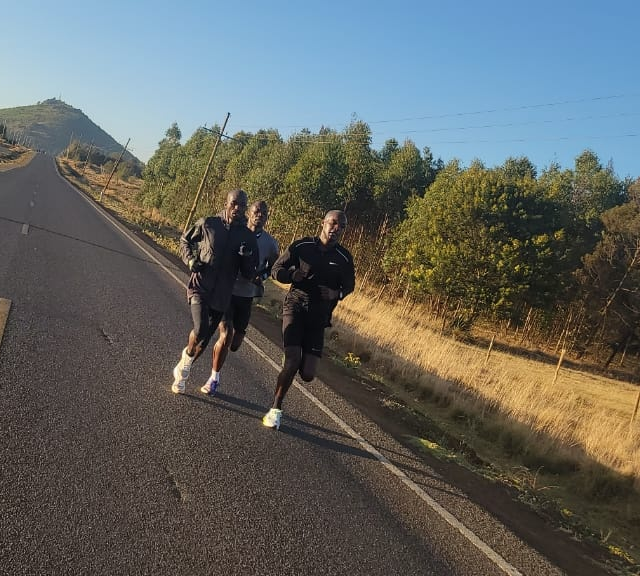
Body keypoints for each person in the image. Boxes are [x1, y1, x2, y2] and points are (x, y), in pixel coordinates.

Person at [262, 209, 355, 430]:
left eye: (341, 226)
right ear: (323, 223)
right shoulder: (302, 246)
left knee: (308, 374)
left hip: (319, 316)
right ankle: (275, 408)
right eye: (333, 223)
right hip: (295, 305)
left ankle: (290, 376)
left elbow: (349, 286)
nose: (336, 229)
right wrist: (291, 276)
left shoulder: (343, 257)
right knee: (292, 360)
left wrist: (335, 294)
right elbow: (277, 270)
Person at [171, 189, 259, 394]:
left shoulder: (247, 236)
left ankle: (187, 358)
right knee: (200, 328)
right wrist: (191, 259)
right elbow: (185, 241)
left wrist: (246, 257)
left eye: (242, 205)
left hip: (222, 295)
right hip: (200, 286)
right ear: (226, 203)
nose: (238, 208)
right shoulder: (208, 223)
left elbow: (248, 273)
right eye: (234, 203)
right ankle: (184, 368)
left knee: (205, 338)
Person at [201, 200, 280, 395]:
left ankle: (224, 351)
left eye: (264, 212)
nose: (259, 215)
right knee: (226, 335)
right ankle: (214, 378)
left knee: (235, 343)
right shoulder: (235, 232)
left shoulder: (270, 243)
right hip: (227, 291)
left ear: (267, 217)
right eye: (256, 211)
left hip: (247, 296)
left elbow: (274, 267)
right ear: (249, 213)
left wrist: (261, 276)